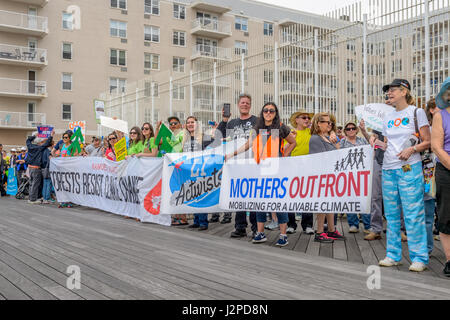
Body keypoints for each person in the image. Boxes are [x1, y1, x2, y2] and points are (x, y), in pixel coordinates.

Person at [226, 102, 296, 246]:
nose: (268, 113)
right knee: (260, 203)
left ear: (276, 113)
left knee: (278, 203)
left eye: (271, 111)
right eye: (266, 110)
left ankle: (283, 235)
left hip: (276, 171)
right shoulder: (257, 128)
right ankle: (260, 233)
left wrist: (283, 156)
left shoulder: (281, 127)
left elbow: (293, 142)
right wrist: (231, 154)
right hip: (260, 171)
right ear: (262, 112)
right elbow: (247, 145)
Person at [379, 79, 430, 272]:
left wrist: (412, 149)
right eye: (388, 91)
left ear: (404, 91)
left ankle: (419, 258)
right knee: (391, 215)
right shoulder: (387, 116)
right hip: (388, 168)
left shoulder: (416, 112)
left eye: (392, 90)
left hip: (410, 168)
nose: (389, 93)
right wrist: (374, 141)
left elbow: (427, 141)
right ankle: (393, 255)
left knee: (413, 213)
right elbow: (387, 144)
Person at [217, 94, 258, 236]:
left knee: (252, 196)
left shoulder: (257, 121)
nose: (245, 104)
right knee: (238, 195)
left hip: (253, 163)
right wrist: (224, 120)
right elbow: (225, 141)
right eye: (242, 102)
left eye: (247, 102)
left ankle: (255, 228)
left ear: (250, 105)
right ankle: (240, 227)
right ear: (238, 105)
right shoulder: (231, 123)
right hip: (236, 163)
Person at [309, 112, 345, 243]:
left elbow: (337, 153)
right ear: (318, 123)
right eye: (327, 122)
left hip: (330, 175)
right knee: (322, 204)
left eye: (331, 123)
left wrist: (335, 142)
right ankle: (319, 232)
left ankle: (331, 229)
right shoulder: (315, 138)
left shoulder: (327, 137)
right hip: (321, 175)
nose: (330, 125)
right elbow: (320, 158)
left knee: (330, 204)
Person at [284, 109, 315, 235]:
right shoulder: (291, 133)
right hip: (293, 167)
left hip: (308, 168)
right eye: (303, 117)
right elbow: (285, 150)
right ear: (296, 120)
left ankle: (307, 224)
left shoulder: (311, 132)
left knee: (307, 196)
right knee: (291, 196)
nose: (307, 120)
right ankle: (291, 224)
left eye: (308, 118)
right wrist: (292, 139)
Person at [431, 76, 450, 276]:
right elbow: (436, 146)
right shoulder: (440, 115)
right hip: (446, 170)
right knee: (446, 215)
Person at [339, 120, 371, 233]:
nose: (351, 130)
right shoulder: (342, 142)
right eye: (348, 129)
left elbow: (371, 148)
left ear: (356, 130)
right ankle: (353, 224)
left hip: (362, 174)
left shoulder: (362, 140)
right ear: (345, 131)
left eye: (353, 128)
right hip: (348, 175)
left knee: (364, 200)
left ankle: (368, 225)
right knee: (350, 200)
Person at [183, 116, 214, 231]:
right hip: (189, 171)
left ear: (197, 124)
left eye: (192, 122)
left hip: (201, 171)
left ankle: (203, 222)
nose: (190, 124)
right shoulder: (185, 139)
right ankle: (196, 220)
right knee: (192, 195)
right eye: (188, 123)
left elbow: (213, 147)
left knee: (201, 195)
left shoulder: (204, 137)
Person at [26, 130, 54, 204]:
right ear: (38, 142)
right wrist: (51, 135)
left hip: (30, 168)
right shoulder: (39, 148)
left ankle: (31, 197)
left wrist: (35, 135)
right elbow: (47, 143)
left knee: (31, 183)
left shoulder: (30, 146)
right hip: (36, 168)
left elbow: (28, 140)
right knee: (35, 184)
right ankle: (33, 199)